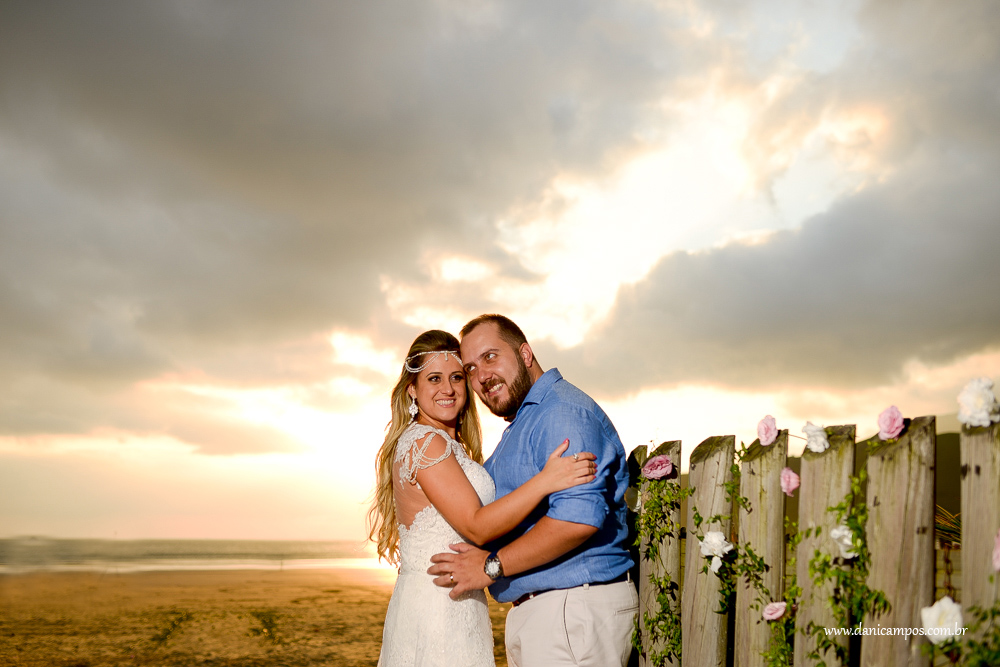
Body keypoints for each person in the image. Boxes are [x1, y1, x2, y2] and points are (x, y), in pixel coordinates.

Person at [368, 329, 597, 667]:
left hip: (454, 599)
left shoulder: (447, 445)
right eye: (434, 378)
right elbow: (477, 526)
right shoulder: (426, 443)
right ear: (412, 389)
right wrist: (545, 481)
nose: (448, 389)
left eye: (457, 377)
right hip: (439, 606)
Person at [427, 314, 637, 667]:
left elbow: (577, 520)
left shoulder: (561, 413)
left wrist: (491, 566)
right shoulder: (526, 421)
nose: (482, 376)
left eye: (490, 357)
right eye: (471, 368)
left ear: (525, 354)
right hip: (548, 614)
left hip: (570, 611)